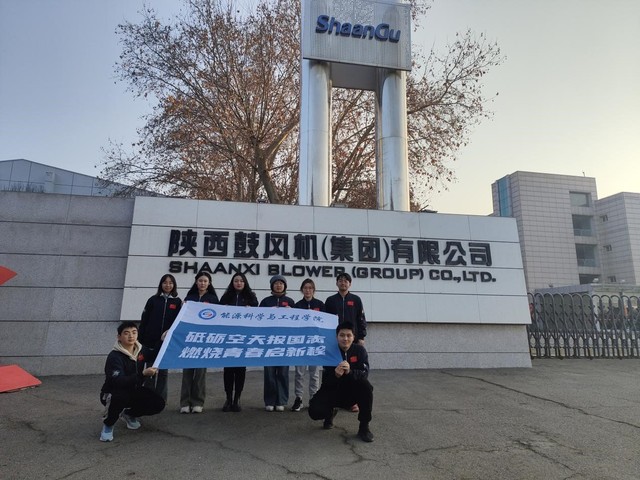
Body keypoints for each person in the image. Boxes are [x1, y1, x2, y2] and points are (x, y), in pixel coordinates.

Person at [308, 322, 374, 442]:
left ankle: (364, 427)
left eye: (349, 335)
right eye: (342, 335)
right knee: (314, 411)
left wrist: (350, 372)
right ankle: (329, 414)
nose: (345, 339)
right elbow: (326, 382)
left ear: (353, 337)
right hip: (334, 391)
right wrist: (335, 375)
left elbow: (364, 373)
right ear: (336, 337)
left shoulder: (360, 351)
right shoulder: (329, 352)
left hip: (352, 393)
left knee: (366, 387)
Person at [99, 321, 165, 442]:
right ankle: (108, 425)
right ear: (119, 337)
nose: (131, 336)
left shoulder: (140, 350)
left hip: (133, 389)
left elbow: (154, 355)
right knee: (120, 397)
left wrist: (162, 340)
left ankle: (129, 414)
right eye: (126, 333)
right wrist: (142, 374)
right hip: (112, 393)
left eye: (134, 332)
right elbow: (118, 381)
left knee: (158, 403)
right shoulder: (114, 356)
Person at [324, 272, 367, 412]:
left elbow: (361, 319)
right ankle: (335, 398)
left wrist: (361, 337)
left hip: (351, 340)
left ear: (350, 284)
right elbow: (325, 320)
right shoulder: (330, 300)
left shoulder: (356, 300)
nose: (343, 283)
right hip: (335, 340)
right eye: (340, 280)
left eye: (346, 281)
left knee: (352, 370)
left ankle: (353, 401)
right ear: (336, 283)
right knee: (334, 369)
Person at [138, 274, 182, 402]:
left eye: (170, 283)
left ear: (174, 285)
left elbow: (178, 322)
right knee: (150, 370)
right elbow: (144, 320)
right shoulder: (153, 300)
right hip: (150, 341)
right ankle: (147, 399)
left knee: (163, 372)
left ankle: (161, 400)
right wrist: (140, 339)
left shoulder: (177, 302)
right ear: (161, 284)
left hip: (166, 342)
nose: (168, 285)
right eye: (165, 282)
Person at [218, 272, 258, 412]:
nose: (239, 283)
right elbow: (219, 314)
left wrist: (251, 310)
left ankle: (237, 399)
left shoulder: (251, 297)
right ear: (232, 282)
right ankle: (228, 398)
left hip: (243, 339)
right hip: (229, 338)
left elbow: (258, 316)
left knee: (240, 370)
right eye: (236, 281)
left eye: (241, 281)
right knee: (228, 370)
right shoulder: (226, 297)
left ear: (245, 283)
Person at [180, 271, 219, 413]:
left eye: (205, 281)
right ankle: (184, 402)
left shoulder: (213, 299)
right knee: (187, 371)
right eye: (200, 280)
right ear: (196, 282)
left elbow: (217, 319)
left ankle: (198, 402)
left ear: (209, 283)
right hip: (190, 338)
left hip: (204, 339)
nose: (202, 283)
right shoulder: (189, 298)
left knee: (200, 372)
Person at [259, 274, 295, 412]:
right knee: (269, 372)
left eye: (281, 283)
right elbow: (258, 319)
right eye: (276, 283)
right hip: (269, 342)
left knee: (283, 372)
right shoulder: (265, 302)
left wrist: (291, 312)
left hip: (284, 342)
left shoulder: (290, 302)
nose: (278, 285)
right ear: (272, 286)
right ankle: (269, 400)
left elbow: (296, 322)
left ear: (285, 286)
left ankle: (281, 400)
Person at [291, 278, 325, 412]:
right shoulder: (297, 305)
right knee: (299, 373)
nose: (308, 290)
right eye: (305, 288)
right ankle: (298, 398)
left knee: (314, 373)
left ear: (314, 290)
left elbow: (324, 323)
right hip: (301, 344)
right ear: (302, 290)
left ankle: (313, 398)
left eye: (310, 288)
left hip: (315, 344)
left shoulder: (320, 304)